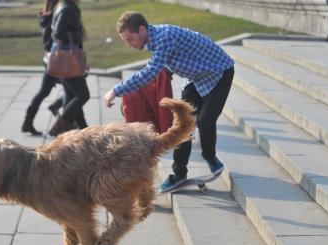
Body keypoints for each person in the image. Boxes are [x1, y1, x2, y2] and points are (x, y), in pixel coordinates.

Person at [103, 11, 235, 193]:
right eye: (126, 41)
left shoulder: (164, 37)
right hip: (195, 78)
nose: (129, 45)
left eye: (130, 39)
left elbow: (149, 73)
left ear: (141, 30)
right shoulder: (153, 40)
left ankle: (210, 157)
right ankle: (179, 174)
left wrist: (116, 90)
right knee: (182, 125)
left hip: (219, 72)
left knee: (205, 122)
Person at [48, 0, 90, 136]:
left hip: (69, 58)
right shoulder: (67, 9)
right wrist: (76, 36)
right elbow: (57, 33)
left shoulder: (66, 6)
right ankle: (60, 125)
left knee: (71, 95)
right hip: (67, 59)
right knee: (83, 95)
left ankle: (83, 127)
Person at [21, 0, 64, 136]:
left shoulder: (47, 15)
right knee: (76, 91)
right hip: (56, 59)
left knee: (44, 92)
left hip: (50, 59)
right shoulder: (56, 16)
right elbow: (52, 40)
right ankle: (58, 110)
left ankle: (27, 123)